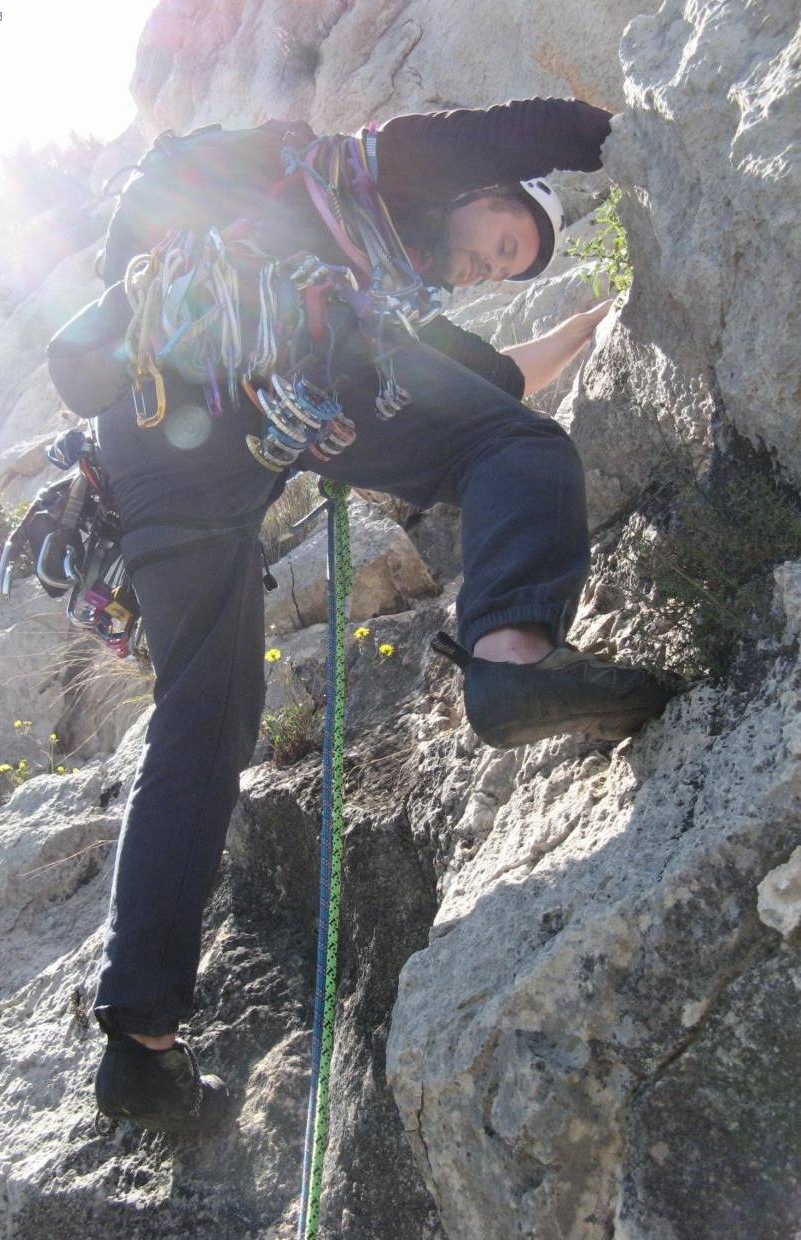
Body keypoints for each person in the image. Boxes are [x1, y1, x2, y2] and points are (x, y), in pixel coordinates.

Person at [91, 97, 674, 1135]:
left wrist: (585, 328)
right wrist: (637, 122)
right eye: (498, 239)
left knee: (205, 721)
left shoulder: (382, 297)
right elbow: (506, 134)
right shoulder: (384, 176)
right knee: (523, 450)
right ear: (472, 197)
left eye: (510, 267)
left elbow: (487, 380)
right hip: (276, 377)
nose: (490, 265)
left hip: (165, 438)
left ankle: (139, 1051)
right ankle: (509, 658)